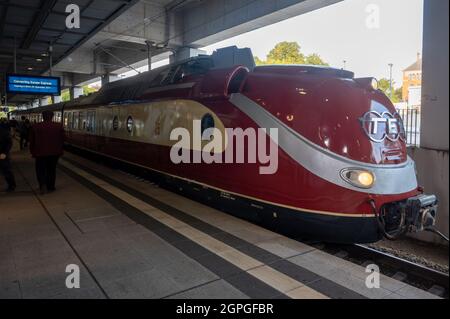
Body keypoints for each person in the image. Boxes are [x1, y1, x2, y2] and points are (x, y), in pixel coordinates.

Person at [29, 111, 64, 194]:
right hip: (54, 153)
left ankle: (42, 184)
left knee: (40, 170)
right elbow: (63, 139)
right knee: (51, 170)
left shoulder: (35, 126)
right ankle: (51, 186)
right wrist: (60, 150)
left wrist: (32, 152)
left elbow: (32, 141)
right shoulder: (59, 126)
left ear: (42, 117)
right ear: (52, 116)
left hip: (40, 153)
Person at [0, 119, 16, 192]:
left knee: (6, 170)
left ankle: (12, 185)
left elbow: (9, 142)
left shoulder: (2, 130)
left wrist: (5, 152)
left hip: (2, 154)